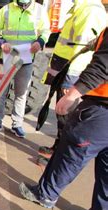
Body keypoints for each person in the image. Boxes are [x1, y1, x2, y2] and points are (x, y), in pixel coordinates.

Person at [19, 27, 108, 210]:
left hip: (102, 109)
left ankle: (45, 195)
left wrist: (73, 94)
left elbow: (103, 66)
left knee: (73, 150)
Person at [37, 0, 106, 166]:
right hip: (66, 69)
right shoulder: (80, 8)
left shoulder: (90, 11)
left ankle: (58, 159)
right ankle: (56, 150)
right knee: (62, 116)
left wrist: (71, 80)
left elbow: (83, 49)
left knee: (67, 116)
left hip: (73, 72)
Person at [0, 0, 50, 138]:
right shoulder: (6, 9)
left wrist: (40, 42)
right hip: (6, 58)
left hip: (26, 60)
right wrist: (1, 42)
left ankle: (17, 124)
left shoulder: (39, 10)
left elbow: (45, 31)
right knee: (0, 92)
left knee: (21, 93)